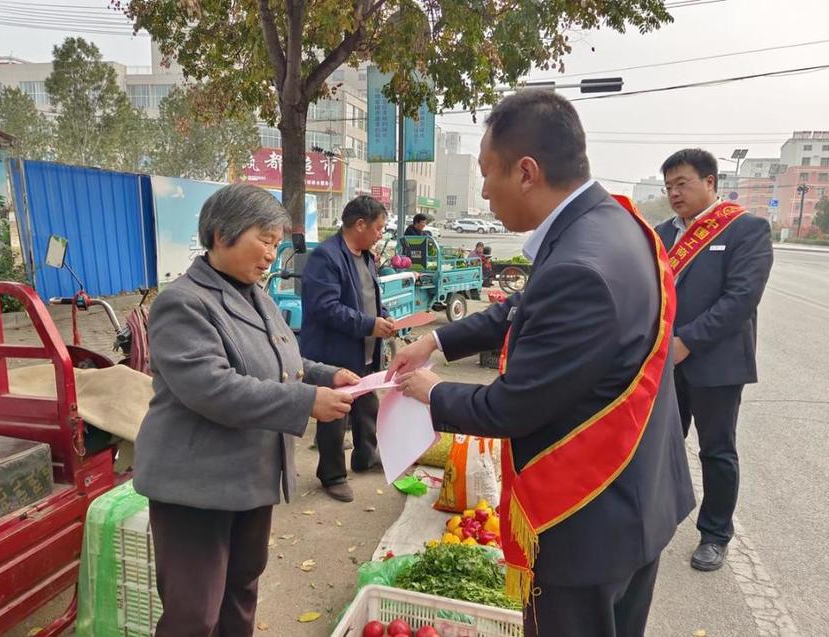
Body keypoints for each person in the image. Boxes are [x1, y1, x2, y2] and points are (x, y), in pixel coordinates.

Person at [388, 90, 695, 637]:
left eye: (487, 174)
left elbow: (511, 407)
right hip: (636, 496)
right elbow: (523, 307)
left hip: (587, 516)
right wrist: (436, 341)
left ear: (526, 172)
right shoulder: (612, 226)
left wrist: (431, 392)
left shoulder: (580, 265)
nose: (483, 191)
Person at [133, 184, 357, 637]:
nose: (271, 255)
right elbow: (213, 388)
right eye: (265, 240)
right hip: (195, 486)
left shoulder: (256, 294)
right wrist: (306, 402)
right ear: (220, 235)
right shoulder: (183, 302)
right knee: (194, 614)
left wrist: (325, 375)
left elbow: (282, 357)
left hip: (250, 479)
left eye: (276, 244)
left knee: (241, 591)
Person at [655, 149, 773, 571]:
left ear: (710, 182)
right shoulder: (662, 234)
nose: (674, 193)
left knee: (716, 451)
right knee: (661, 446)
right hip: (665, 362)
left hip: (716, 365)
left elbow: (740, 299)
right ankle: (656, 522)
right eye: (668, 186)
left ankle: (715, 535)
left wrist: (686, 342)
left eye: (682, 183)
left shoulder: (747, 229)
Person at [300, 195, 396, 502]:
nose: (381, 234)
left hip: (364, 350)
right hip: (334, 354)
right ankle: (332, 475)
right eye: (379, 228)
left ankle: (366, 456)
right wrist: (369, 324)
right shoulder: (325, 258)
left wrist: (383, 319)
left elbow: (369, 298)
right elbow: (324, 308)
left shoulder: (366, 256)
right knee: (334, 416)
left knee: (368, 406)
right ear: (359, 224)